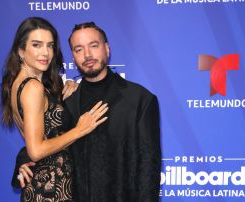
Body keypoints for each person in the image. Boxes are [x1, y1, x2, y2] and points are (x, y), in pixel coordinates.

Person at [17, 21, 161, 202]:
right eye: (79, 49)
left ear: (107, 49)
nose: (87, 54)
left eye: (93, 45)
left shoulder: (140, 99)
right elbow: (48, 140)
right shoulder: (67, 99)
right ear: (73, 56)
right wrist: (23, 161)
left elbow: (149, 168)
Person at [0, 17, 108, 202]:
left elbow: (41, 136)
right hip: (50, 191)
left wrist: (71, 87)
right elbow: (36, 150)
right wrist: (79, 130)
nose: (45, 53)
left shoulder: (24, 84)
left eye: (50, 45)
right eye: (36, 45)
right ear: (21, 51)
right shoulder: (33, 87)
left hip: (49, 185)